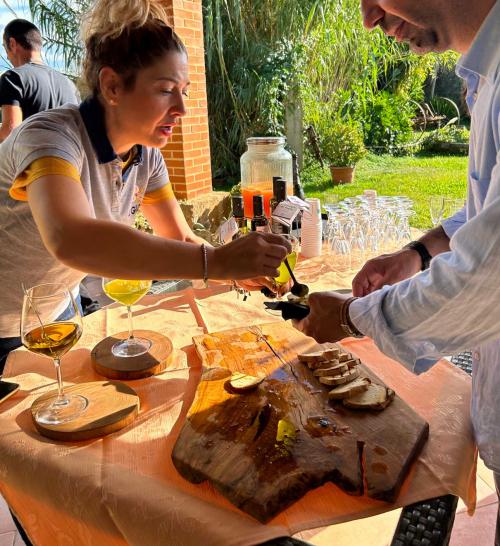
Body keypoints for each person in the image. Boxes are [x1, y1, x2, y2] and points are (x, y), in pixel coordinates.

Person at [295, 0, 500, 542]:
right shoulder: (489, 69)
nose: (367, 18)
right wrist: (418, 252)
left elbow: (490, 273)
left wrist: (350, 318)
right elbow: (486, 216)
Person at [0, 0, 291, 375]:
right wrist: (216, 262)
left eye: (183, 90)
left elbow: (180, 237)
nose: (182, 109)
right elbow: (71, 238)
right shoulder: (50, 138)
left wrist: (231, 269)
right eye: (166, 89)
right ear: (112, 86)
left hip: (57, 315)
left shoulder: (146, 155)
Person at [0, 18, 80, 141]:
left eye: (5, 48)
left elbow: (10, 132)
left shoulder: (14, 78)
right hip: (70, 158)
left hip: (33, 158)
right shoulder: (70, 85)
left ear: (12, 44)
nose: (7, 56)